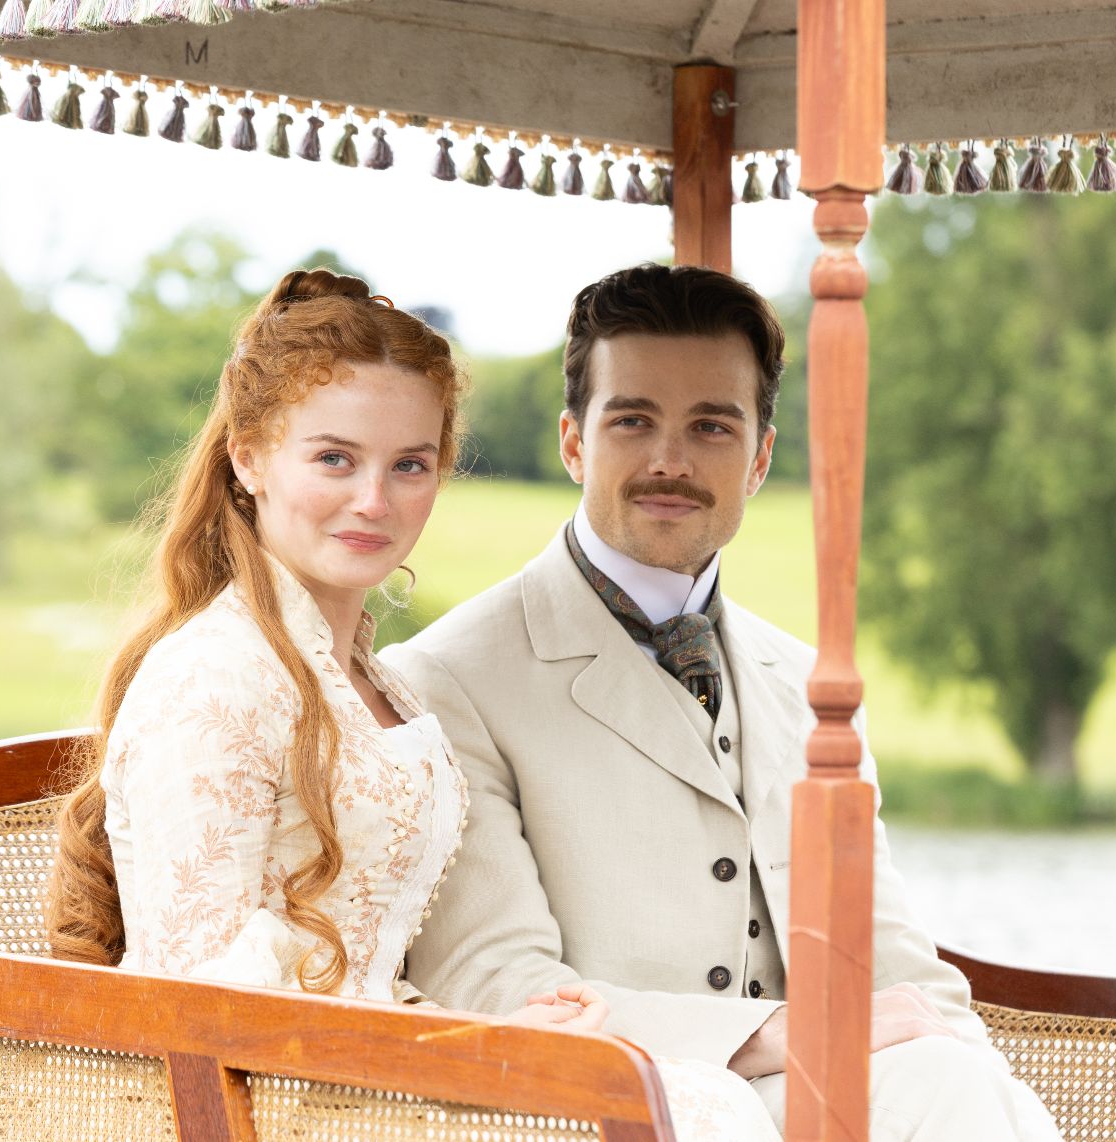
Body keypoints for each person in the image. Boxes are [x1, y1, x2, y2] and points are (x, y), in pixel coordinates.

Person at [43, 268, 781, 1140]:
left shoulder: (372, 681)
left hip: (374, 1078)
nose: (374, 502)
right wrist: (462, 1044)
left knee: (689, 1097)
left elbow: (370, 966)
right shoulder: (213, 678)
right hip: (262, 1102)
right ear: (248, 457)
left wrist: (501, 1034)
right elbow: (200, 998)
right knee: (684, 1111)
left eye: (410, 466)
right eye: (334, 459)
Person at [383, 264, 1064, 1141]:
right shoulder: (450, 677)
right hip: (614, 1112)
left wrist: (986, 1086)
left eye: (712, 425)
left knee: (952, 1078)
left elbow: (899, 973)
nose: (670, 460)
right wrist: (782, 1036)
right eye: (633, 420)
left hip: (826, 1114)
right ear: (573, 442)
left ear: (761, 456)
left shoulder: (813, 687)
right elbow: (497, 986)